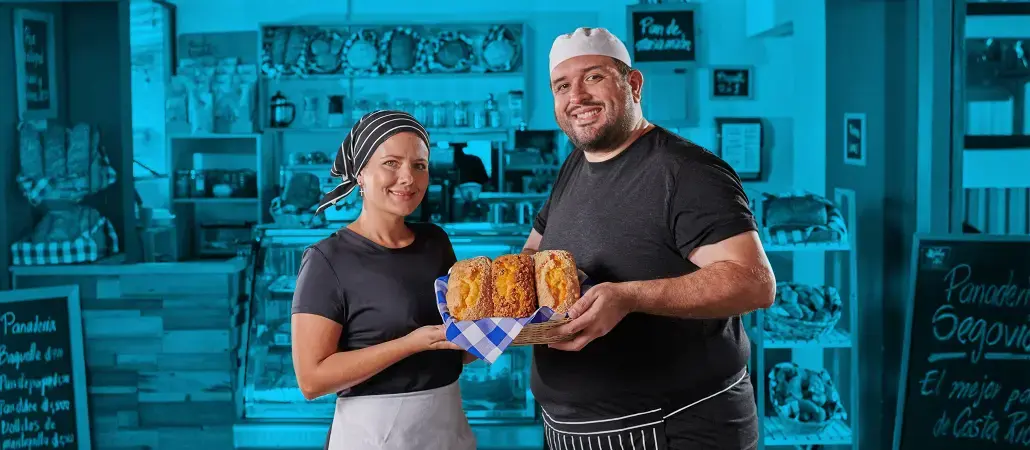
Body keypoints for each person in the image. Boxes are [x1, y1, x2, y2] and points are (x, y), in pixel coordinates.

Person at [522, 28, 777, 450]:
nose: (577, 97)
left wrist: (629, 297)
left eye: (594, 77)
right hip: (570, 432)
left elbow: (754, 282)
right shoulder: (574, 166)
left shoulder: (687, 171)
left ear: (634, 84)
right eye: (562, 86)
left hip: (673, 428)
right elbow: (534, 251)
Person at [291, 110, 477, 450]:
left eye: (419, 165)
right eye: (391, 163)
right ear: (361, 173)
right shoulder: (327, 259)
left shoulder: (436, 241)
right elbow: (311, 380)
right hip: (372, 435)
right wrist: (411, 343)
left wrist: (500, 327)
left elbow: (455, 349)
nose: (408, 177)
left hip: (447, 426)